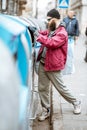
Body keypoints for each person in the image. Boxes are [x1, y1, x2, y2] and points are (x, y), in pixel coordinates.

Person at [35, 8, 81, 121]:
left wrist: (38, 36)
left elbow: (52, 43)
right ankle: (46, 110)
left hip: (53, 65)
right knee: (42, 88)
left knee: (61, 88)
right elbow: (45, 34)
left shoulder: (62, 33)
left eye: (49, 19)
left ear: (55, 19)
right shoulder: (52, 29)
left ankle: (76, 102)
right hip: (43, 63)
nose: (47, 21)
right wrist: (36, 31)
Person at [62, 10, 79, 75]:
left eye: (72, 13)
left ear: (73, 14)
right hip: (65, 38)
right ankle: (64, 68)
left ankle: (70, 68)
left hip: (71, 38)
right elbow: (62, 27)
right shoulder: (65, 19)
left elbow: (77, 28)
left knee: (71, 53)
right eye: (69, 13)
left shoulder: (75, 20)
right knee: (65, 53)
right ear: (67, 14)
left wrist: (77, 35)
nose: (71, 14)